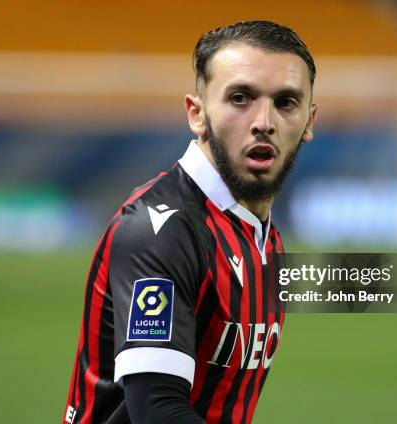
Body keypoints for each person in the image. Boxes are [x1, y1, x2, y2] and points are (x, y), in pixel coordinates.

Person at [62, 20, 318, 424]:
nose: (264, 121)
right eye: (240, 98)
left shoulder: (258, 233)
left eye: (286, 102)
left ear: (309, 122)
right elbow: (157, 410)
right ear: (197, 114)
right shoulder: (162, 231)